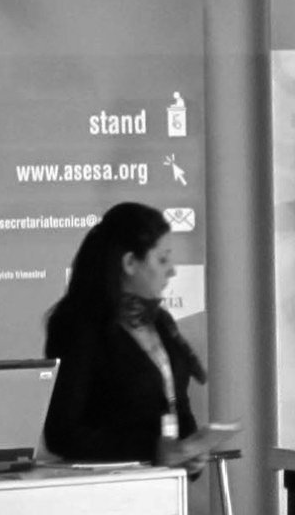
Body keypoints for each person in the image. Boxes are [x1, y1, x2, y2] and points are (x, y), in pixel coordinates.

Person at [42, 201, 210, 469]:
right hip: (107, 488)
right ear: (130, 262)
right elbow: (62, 433)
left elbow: (177, 401)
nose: (172, 270)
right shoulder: (77, 325)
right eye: (162, 259)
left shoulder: (161, 322)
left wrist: (190, 449)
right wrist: (151, 448)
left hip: (165, 486)